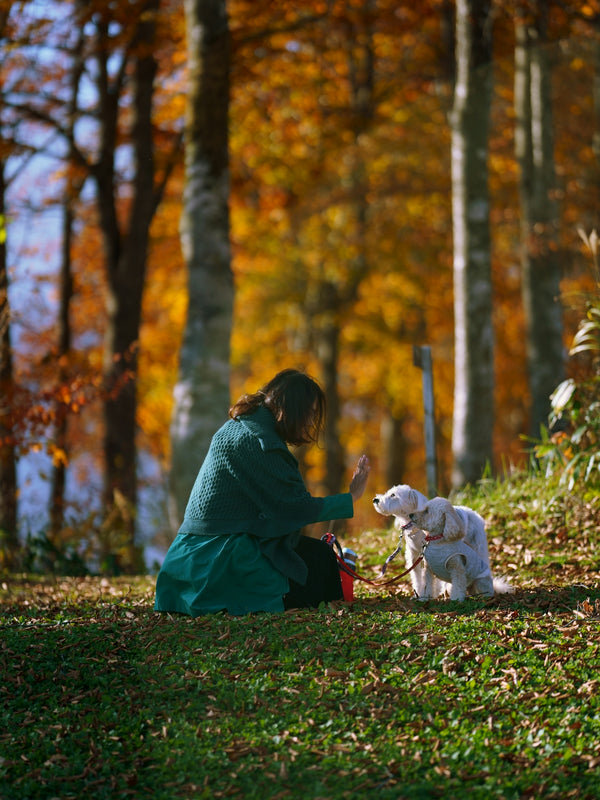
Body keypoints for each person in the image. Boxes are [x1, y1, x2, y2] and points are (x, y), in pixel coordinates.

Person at [154, 368, 370, 616]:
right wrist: (351, 497)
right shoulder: (259, 441)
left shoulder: (242, 425)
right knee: (320, 565)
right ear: (293, 410)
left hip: (192, 559)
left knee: (317, 556)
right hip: (212, 563)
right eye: (309, 415)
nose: (311, 423)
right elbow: (295, 508)